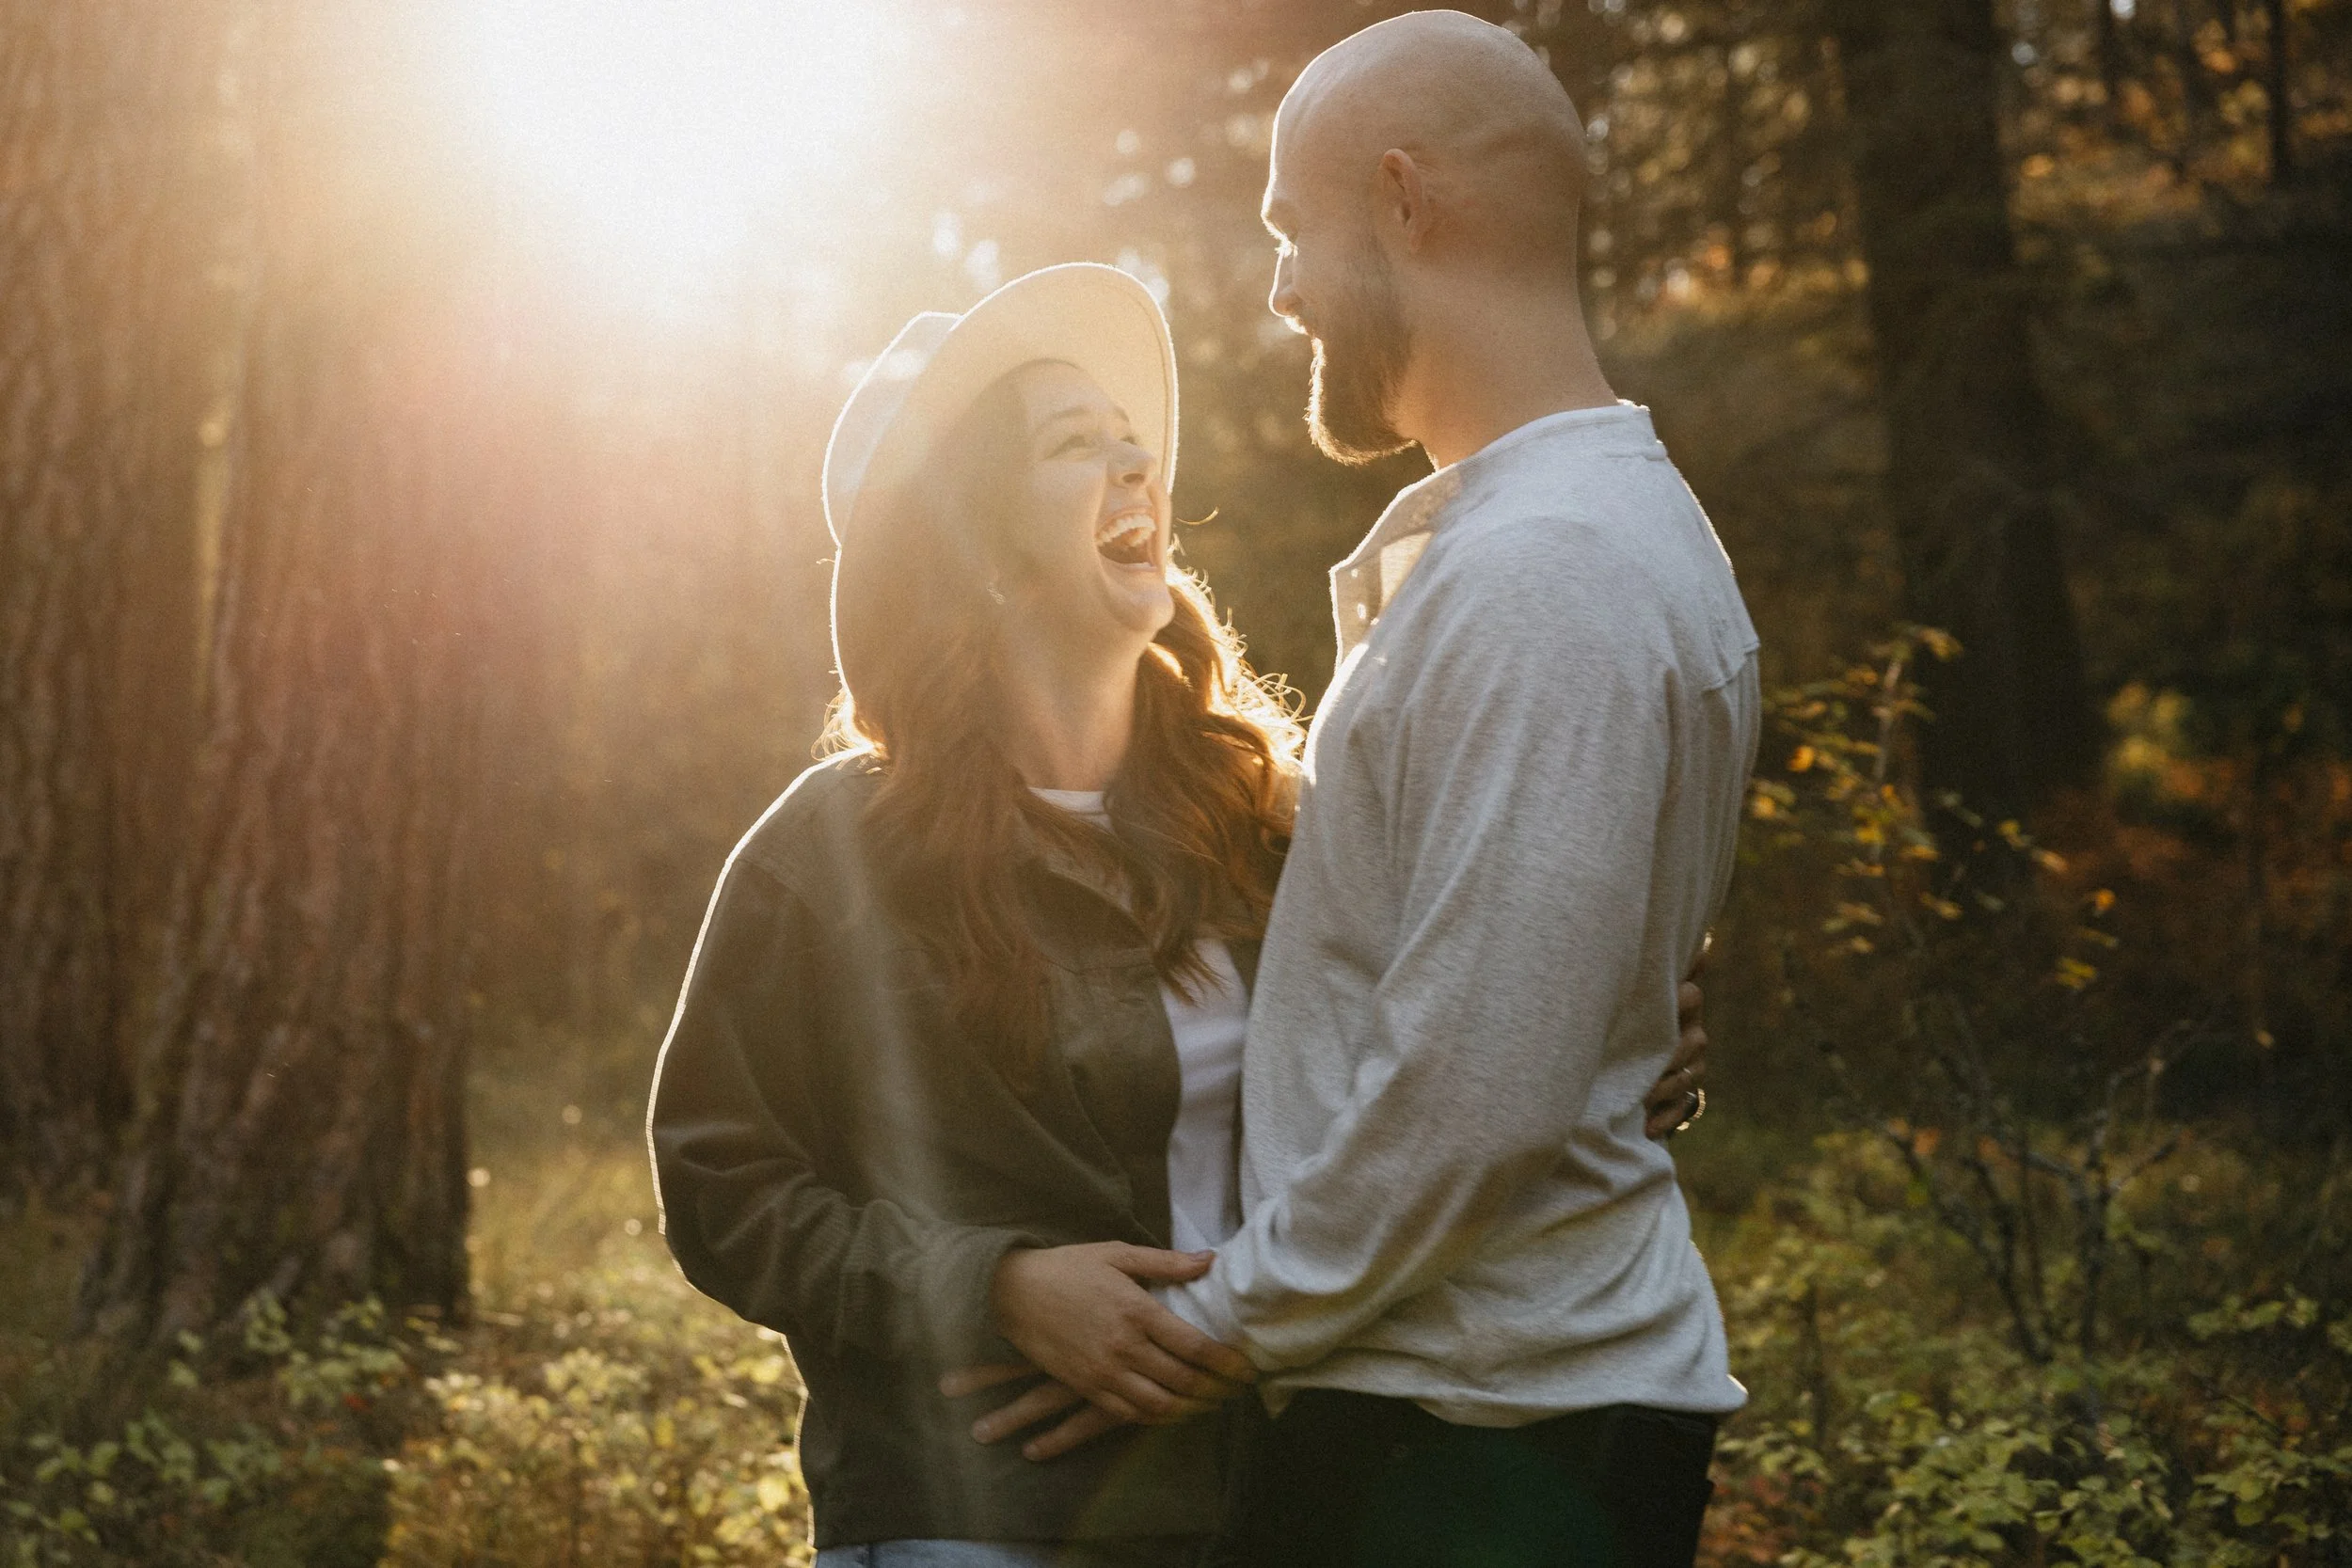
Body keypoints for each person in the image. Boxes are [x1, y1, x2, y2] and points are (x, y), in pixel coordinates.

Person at [648, 261, 1714, 1566]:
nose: (1135, 463)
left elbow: (1454, 1032)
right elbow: (722, 1185)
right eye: (1071, 444)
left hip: (1268, 1493)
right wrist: (995, 1289)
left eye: (1129, 438)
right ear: (978, 549)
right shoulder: (833, 856)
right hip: (967, 1512)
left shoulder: (1269, 821)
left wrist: (1622, 1020)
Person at [972, 15, 1759, 1567]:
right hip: (1451, 1412)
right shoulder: (1566, 539)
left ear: (1403, 198)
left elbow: (1475, 1101)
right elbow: (1506, 1004)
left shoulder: (1550, 577)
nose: (1275, 285)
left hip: (1475, 1442)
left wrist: (1205, 1327)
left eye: (1288, 229)